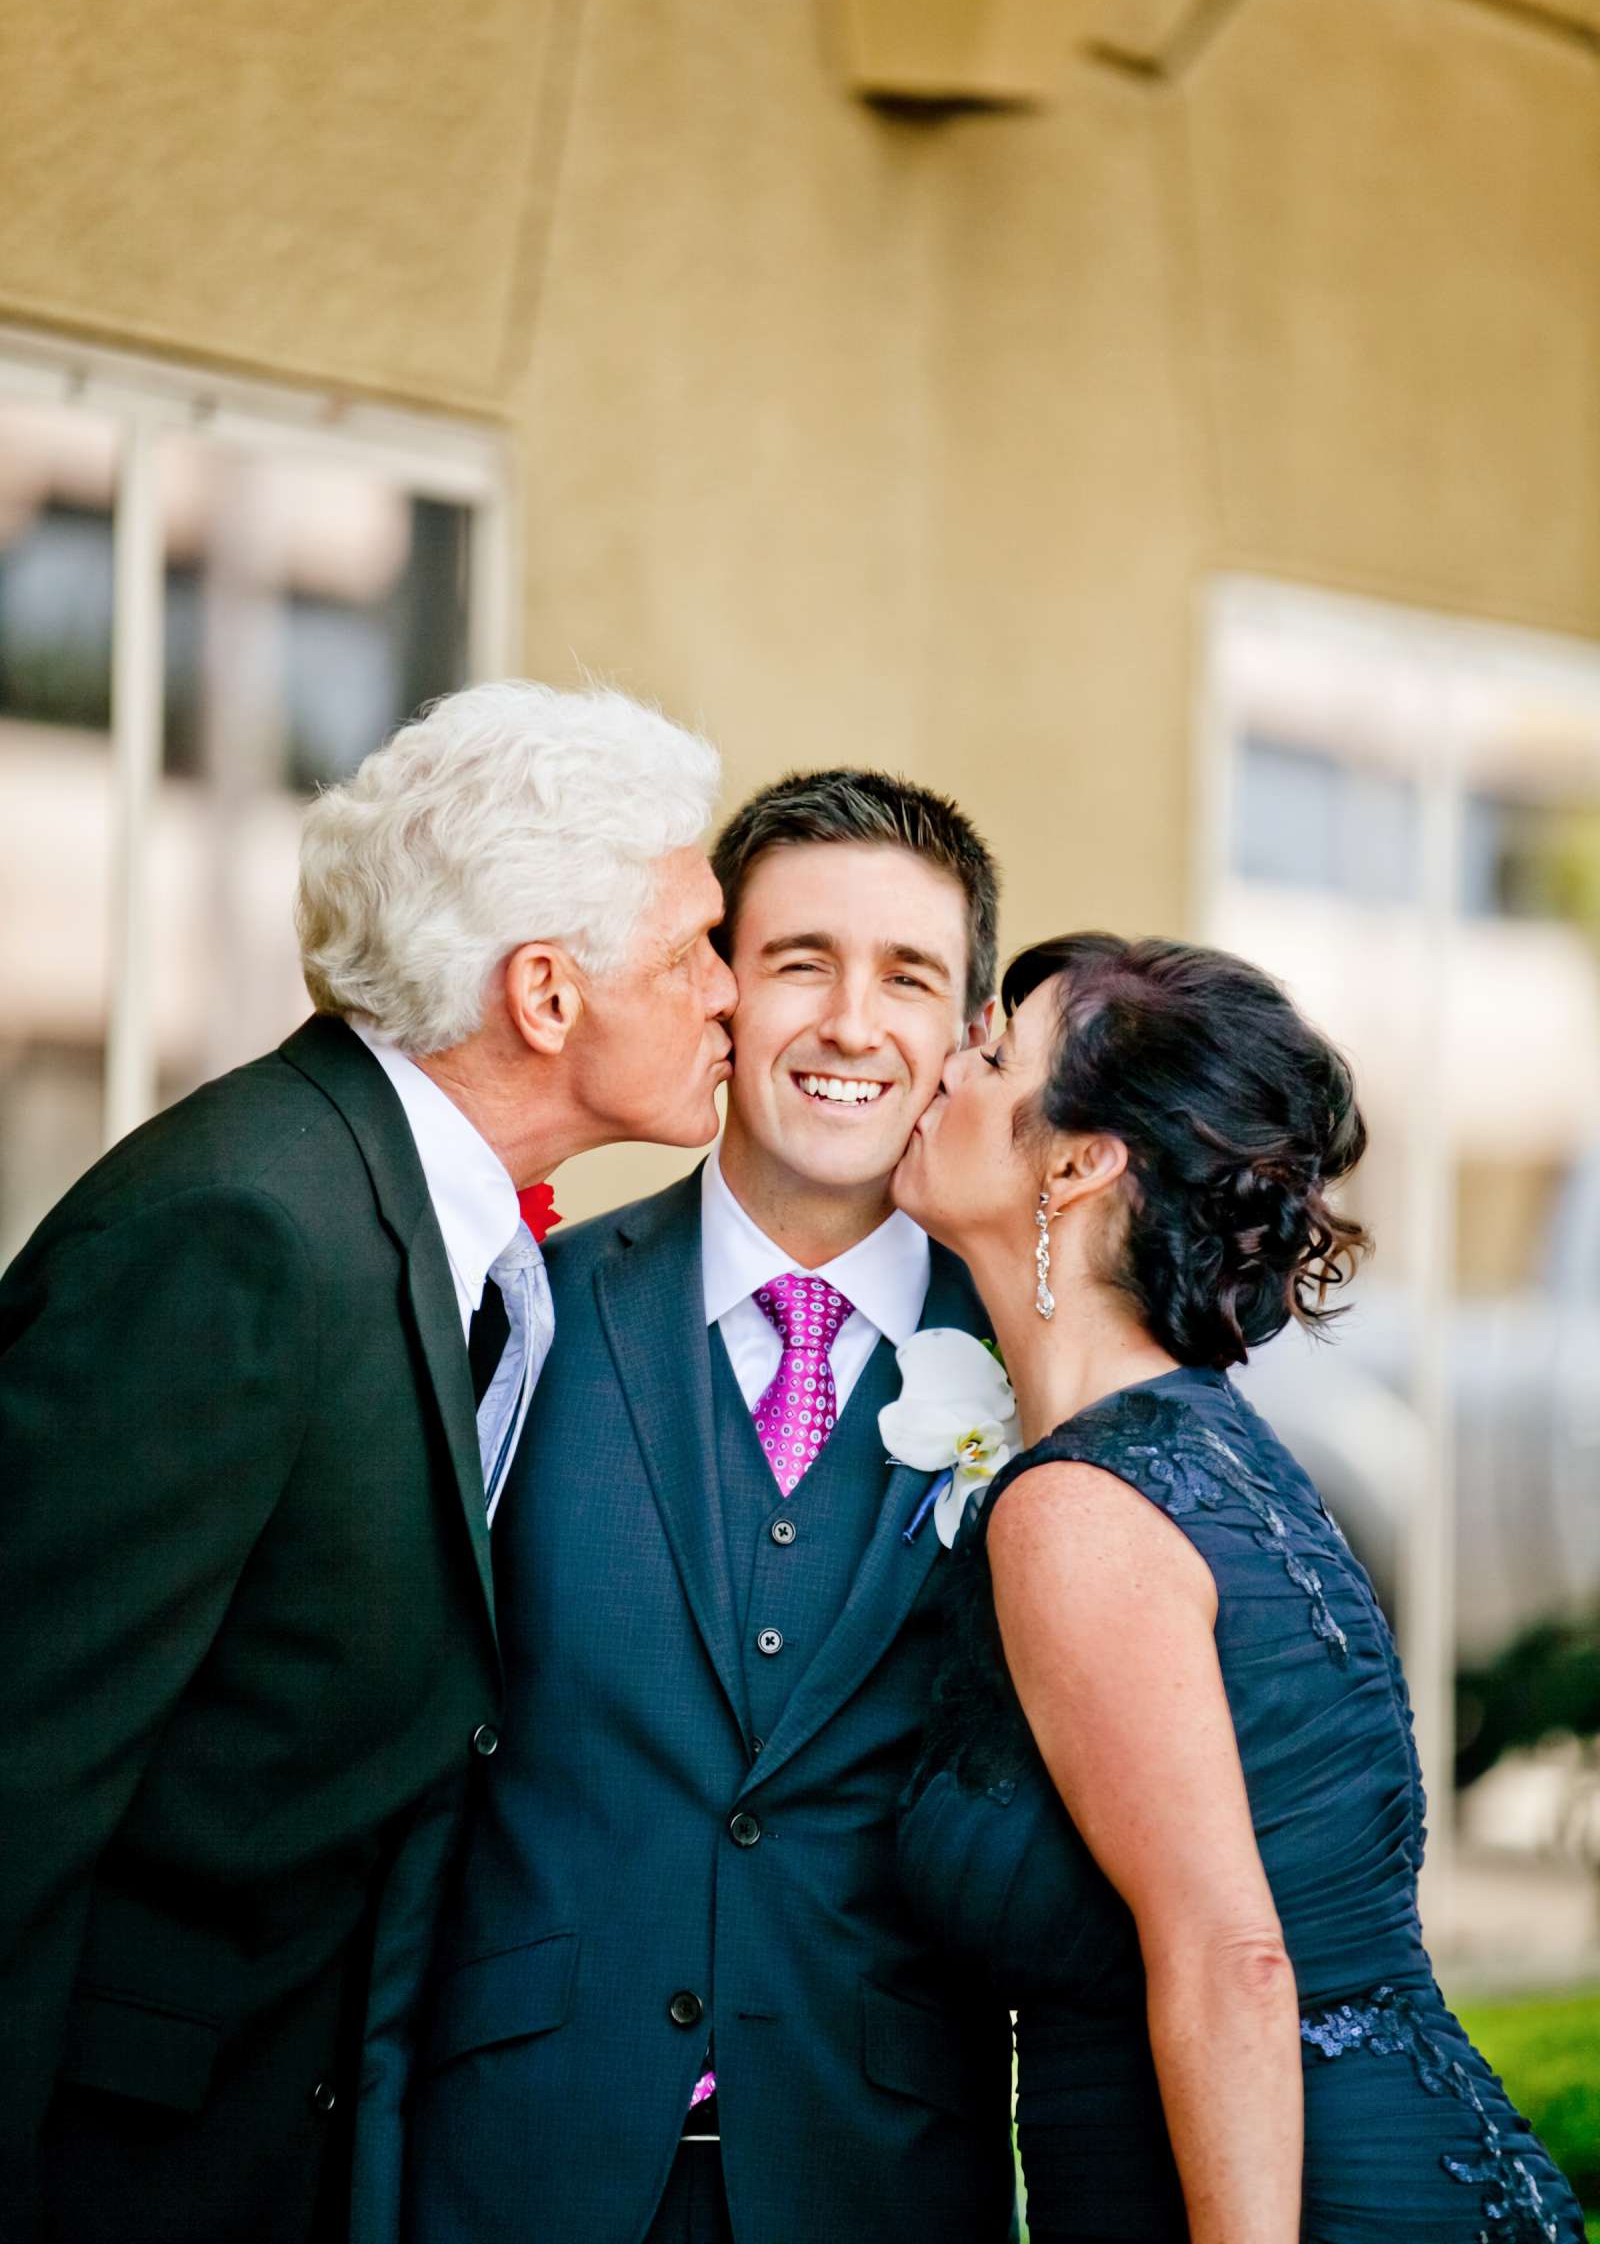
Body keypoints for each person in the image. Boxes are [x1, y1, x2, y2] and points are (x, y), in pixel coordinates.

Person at [0, 680, 734, 2244]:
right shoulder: (243, 1229)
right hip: (116, 2163)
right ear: (546, 995)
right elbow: (20, 1773)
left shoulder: (438, 1230)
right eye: (693, 952)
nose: (733, 993)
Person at [366, 771, 1018, 2244]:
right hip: (516, 2164)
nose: (852, 1024)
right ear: (722, 993)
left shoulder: (1034, 1370)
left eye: (907, 977)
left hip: (879, 2173)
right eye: (802, 962)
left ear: (968, 1037)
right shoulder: (514, 1314)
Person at [891, 931, 1586, 2244]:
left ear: (1082, 1160)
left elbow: (1234, 1961)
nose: (939, 1070)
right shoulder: (1220, 1457)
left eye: (989, 1056)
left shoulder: (1082, 1508)